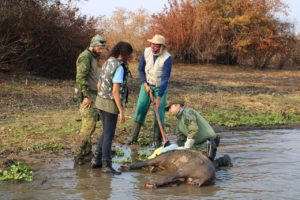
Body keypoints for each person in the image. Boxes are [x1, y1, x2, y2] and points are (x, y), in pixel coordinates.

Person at [91, 41, 133, 175]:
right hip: (110, 104)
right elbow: (115, 91)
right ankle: (106, 165)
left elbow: (99, 84)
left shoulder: (109, 61)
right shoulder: (119, 67)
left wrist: (101, 96)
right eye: (129, 55)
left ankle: (96, 159)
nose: (129, 58)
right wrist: (121, 111)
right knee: (109, 135)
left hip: (100, 101)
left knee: (105, 131)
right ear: (124, 54)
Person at [128, 34, 173, 147]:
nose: (153, 46)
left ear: (161, 46)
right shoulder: (146, 52)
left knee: (159, 113)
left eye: (156, 45)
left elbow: (165, 79)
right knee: (141, 107)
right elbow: (140, 69)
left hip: (159, 88)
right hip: (147, 85)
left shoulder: (167, 58)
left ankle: (157, 142)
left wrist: (159, 98)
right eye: (152, 44)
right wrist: (144, 83)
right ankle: (133, 138)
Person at [74, 34, 107, 165]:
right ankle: (78, 155)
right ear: (93, 45)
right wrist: (86, 96)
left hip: (94, 95)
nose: (102, 50)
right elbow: (80, 78)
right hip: (88, 97)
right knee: (87, 127)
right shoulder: (85, 57)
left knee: (91, 125)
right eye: (100, 48)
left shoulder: (92, 57)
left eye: (103, 48)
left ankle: (87, 153)